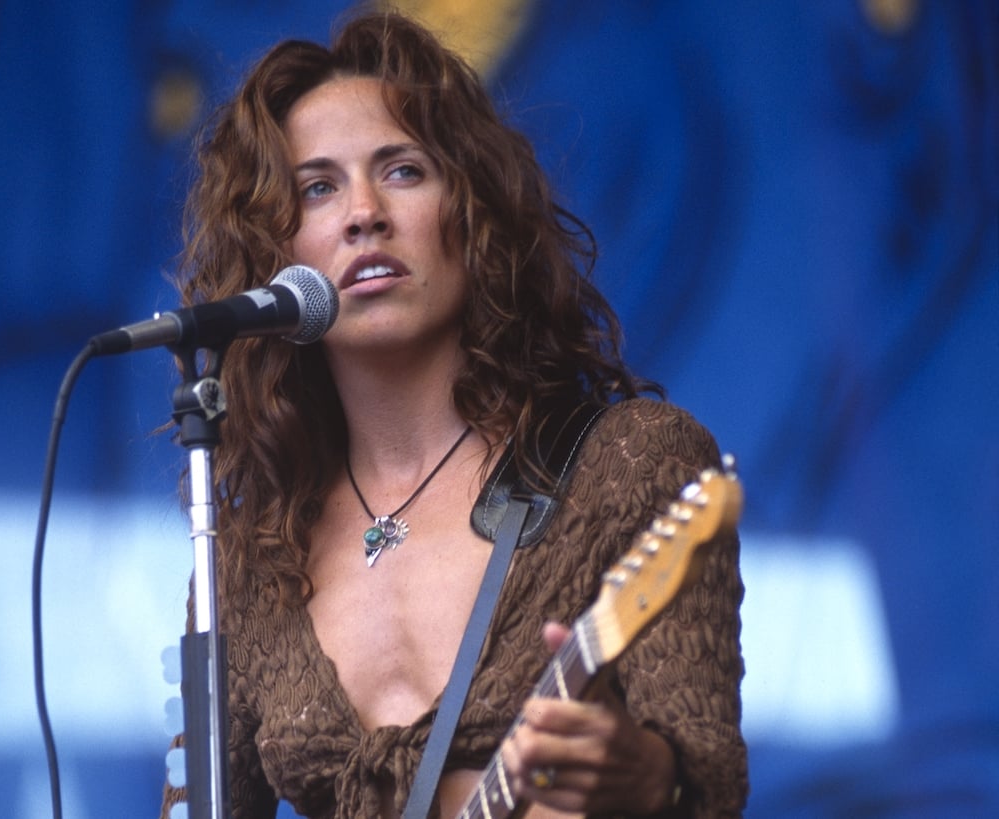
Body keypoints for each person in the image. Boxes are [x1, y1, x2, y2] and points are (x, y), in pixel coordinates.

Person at [159, 8, 747, 819]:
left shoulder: (634, 467)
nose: (363, 211)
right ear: (277, 251)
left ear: (472, 215)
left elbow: (709, 780)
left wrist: (648, 776)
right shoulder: (245, 565)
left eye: (403, 170)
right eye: (317, 187)